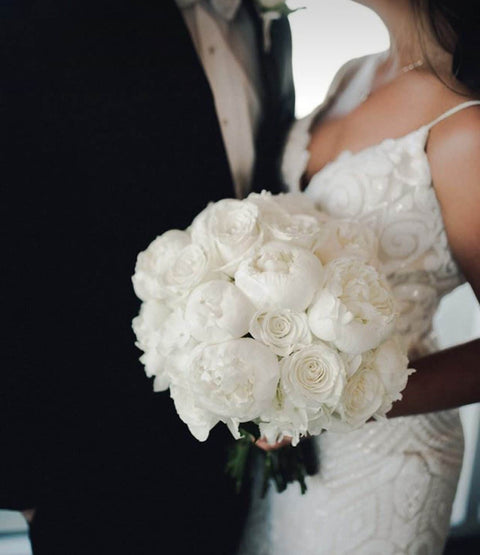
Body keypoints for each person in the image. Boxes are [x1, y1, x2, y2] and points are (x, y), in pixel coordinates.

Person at [0, 1, 294, 553]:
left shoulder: (269, 26)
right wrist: (21, 473)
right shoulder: (48, 18)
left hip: (242, 449)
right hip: (94, 453)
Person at [241, 1, 480, 553]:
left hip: (388, 457)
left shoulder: (463, 124)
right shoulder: (357, 71)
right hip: (287, 451)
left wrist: (340, 395)